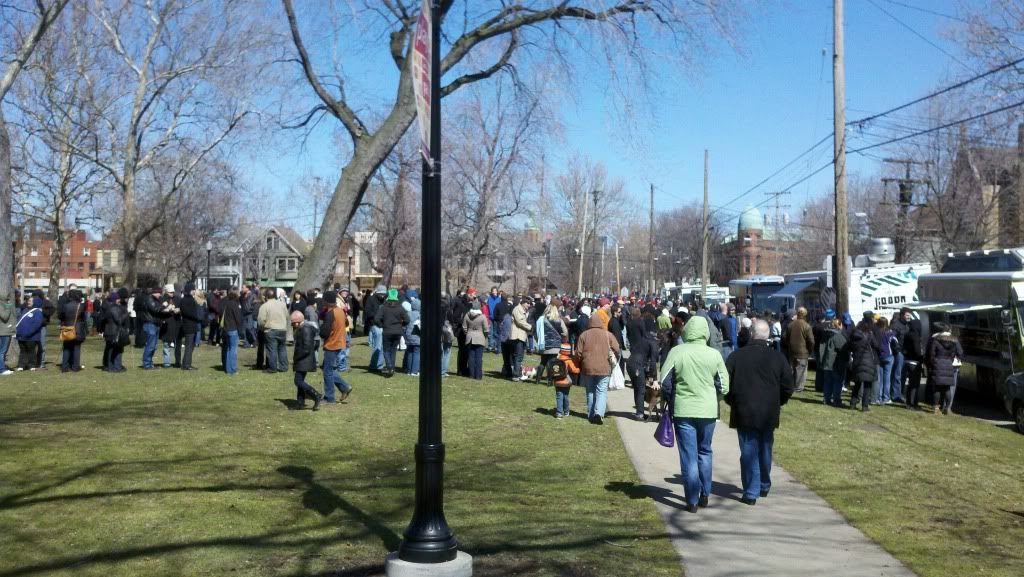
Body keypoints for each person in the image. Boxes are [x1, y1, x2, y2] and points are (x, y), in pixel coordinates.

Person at [661, 316, 730, 513]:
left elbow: (665, 381)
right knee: (705, 451)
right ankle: (705, 493)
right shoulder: (714, 354)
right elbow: (724, 385)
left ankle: (692, 499)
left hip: (683, 409)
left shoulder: (677, 351)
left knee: (688, 456)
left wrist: (672, 400)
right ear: (706, 332)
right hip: (707, 410)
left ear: (687, 330)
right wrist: (713, 397)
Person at [724, 319, 794, 505]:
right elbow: (788, 386)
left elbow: (725, 385)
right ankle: (760, 485)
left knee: (751, 450)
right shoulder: (778, 358)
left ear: (751, 333)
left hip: (745, 409)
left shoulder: (736, 356)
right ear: (767, 335)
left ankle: (753, 489)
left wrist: (732, 401)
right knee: (764, 449)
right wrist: (778, 401)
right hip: (767, 410)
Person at [574, 316, 620, 424]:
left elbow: (578, 353)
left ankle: (591, 414)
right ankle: (599, 413)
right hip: (604, 367)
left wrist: (581, 361)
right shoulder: (608, 334)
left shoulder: (584, 335)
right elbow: (617, 348)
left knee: (590, 391)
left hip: (588, 367)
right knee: (601, 391)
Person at [626, 305, 660, 420]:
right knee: (640, 389)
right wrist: (655, 379)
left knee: (637, 388)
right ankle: (640, 413)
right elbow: (653, 362)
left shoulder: (643, 339)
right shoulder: (652, 343)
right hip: (637, 365)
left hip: (631, 363)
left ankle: (639, 412)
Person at [320, 291, 353, 403]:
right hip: (339, 342)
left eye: (323, 300)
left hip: (332, 344)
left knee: (327, 371)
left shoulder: (330, 313)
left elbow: (324, 332)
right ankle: (344, 387)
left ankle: (329, 398)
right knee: (328, 369)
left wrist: (320, 329)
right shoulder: (340, 311)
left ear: (326, 301)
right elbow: (346, 323)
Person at [926, 322, 963, 415]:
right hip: (949, 364)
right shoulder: (954, 340)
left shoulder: (936, 339)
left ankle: (936, 408)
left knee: (937, 388)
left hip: (938, 363)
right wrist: (951, 359)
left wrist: (933, 362)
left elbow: (931, 353)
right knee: (947, 388)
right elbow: (959, 352)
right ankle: (947, 408)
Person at [290, 310, 323, 410]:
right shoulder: (302, 328)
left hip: (304, 360)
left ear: (298, 321)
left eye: (293, 323)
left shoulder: (306, 329)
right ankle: (300, 403)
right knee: (300, 381)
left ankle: (316, 395)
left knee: (298, 381)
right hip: (303, 360)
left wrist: (297, 358)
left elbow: (307, 348)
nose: (292, 325)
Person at [375, 288, 409, 377]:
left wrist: (381, 325)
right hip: (397, 331)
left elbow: (376, 319)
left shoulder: (383, 307)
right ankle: (391, 368)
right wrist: (402, 325)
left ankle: (389, 366)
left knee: (386, 350)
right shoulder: (400, 308)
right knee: (393, 350)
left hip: (387, 331)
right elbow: (407, 320)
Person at [848, 318, 880, 412]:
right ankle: (865, 406)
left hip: (857, 361)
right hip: (868, 361)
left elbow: (850, 347)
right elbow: (876, 345)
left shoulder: (854, 335)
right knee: (867, 385)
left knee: (857, 384)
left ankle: (853, 403)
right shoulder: (870, 334)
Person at [257, 287, 289, 373]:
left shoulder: (264, 306)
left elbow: (261, 320)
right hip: (282, 329)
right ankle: (284, 367)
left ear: (266, 296)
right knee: (282, 348)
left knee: (272, 350)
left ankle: (272, 368)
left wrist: (263, 328)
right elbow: (286, 316)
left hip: (271, 329)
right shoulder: (282, 304)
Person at [782, 307, 814, 392]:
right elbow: (811, 341)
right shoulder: (807, 326)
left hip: (792, 351)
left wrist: (789, 345)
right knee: (801, 371)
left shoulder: (790, 325)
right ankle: (798, 387)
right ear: (805, 315)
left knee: (792, 369)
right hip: (803, 352)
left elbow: (785, 337)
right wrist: (809, 350)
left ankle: (791, 385)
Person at [819, 318, 848, 407]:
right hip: (835, 363)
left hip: (826, 362)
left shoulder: (825, 334)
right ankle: (836, 400)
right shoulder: (837, 336)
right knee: (837, 381)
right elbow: (844, 350)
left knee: (828, 381)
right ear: (839, 325)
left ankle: (826, 399)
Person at [536, 303, 568, 382]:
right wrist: (560, 335)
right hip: (555, 345)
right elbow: (565, 332)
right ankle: (550, 381)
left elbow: (537, 332)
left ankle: (537, 379)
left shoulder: (541, 319)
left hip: (544, 344)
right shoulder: (559, 320)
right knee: (552, 363)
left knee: (543, 362)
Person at [58, 289, 87, 372]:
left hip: (67, 328)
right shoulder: (81, 306)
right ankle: (75, 366)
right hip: (78, 328)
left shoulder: (65, 306)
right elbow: (84, 318)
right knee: (76, 348)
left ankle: (64, 366)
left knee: (66, 347)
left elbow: (60, 316)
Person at [901, 310, 925, 409]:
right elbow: (917, 350)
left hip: (907, 360)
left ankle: (909, 402)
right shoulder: (915, 336)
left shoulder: (907, 334)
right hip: (915, 362)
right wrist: (922, 358)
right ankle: (912, 403)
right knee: (915, 384)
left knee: (910, 383)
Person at [102, 290, 130, 373]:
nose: (119, 300)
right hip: (113, 332)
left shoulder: (110, 307)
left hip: (110, 331)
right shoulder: (113, 308)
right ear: (115, 300)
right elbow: (118, 320)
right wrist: (126, 314)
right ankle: (115, 367)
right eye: (118, 299)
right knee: (117, 349)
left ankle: (112, 366)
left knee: (112, 350)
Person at [15, 297, 46, 371]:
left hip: (31, 336)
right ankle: (21, 365)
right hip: (21, 336)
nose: (28, 302)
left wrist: (28, 333)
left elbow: (37, 324)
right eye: (28, 301)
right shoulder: (25, 310)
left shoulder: (37, 312)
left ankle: (31, 365)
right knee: (23, 351)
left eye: (31, 301)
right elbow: (20, 321)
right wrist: (19, 332)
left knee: (31, 351)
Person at [178, 283, 203, 371]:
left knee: (191, 346)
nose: (194, 291)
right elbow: (187, 312)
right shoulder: (185, 300)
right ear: (189, 290)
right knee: (189, 346)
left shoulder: (190, 299)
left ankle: (187, 363)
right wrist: (197, 316)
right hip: (188, 325)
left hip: (192, 324)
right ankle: (186, 365)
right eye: (193, 290)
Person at [552, 342, 580, 418]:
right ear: (568, 352)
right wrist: (579, 369)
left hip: (557, 381)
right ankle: (566, 411)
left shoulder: (556, 359)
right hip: (566, 382)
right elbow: (574, 370)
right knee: (565, 396)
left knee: (559, 396)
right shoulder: (568, 360)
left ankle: (559, 412)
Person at [462, 300, 489, 380]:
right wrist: (484, 336)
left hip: (470, 337)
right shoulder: (482, 316)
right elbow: (486, 329)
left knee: (471, 357)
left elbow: (464, 327)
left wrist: (468, 333)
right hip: (480, 337)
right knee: (479, 358)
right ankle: (478, 375)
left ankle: (471, 374)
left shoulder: (467, 315)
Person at [510, 296, 534, 381]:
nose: (529, 305)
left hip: (521, 336)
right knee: (518, 356)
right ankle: (516, 375)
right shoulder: (517, 309)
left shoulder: (523, 310)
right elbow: (520, 321)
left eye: (530, 304)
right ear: (523, 303)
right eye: (528, 303)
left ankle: (518, 374)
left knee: (519, 356)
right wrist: (530, 327)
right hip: (517, 336)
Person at [220, 288, 243, 375]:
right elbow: (238, 318)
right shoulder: (235, 304)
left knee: (229, 349)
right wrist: (240, 329)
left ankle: (228, 369)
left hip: (226, 328)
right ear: (236, 294)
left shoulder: (227, 303)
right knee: (233, 350)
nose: (240, 294)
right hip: (233, 329)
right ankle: (233, 369)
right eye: (238, 292)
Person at [365, 285, 386, 372]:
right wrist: (377, 316)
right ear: (377, 293)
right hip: (374, 324)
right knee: (377, 346)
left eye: (384, 294)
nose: (382, 296)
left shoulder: (385, 300)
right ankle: (374, 365)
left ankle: (379, 365)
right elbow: (368, 312)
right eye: (381, 294)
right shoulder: (371, 299)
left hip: (383, 325)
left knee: (382, 346)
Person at [876, 317, 896, 404]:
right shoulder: (890, 333)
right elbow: (895, 342)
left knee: (879, 379)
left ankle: (879, 397)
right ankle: (886, 397)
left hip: (879, 356)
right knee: (887, 378)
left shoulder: (877, 332)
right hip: (888, 355)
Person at [403, 297, 421, 376]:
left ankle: (409, 370)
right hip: (417, 337)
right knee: (417, 353)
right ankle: (414, 371)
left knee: (410, 352)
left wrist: (405, 333)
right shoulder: (420, 315)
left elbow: (404, 325)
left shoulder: (408, 314)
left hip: (408, 336)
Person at [0, 292, 15, 376]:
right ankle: (2, 369)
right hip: (3, 331)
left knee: (3, 351)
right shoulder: (2, 305)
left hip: (6, 330)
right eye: (8, 297)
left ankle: (2, 367)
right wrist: (8, 307)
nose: (9, 299)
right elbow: (4, 316)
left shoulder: (4, 305)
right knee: (2, 351)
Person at [486, 287, 502, 352]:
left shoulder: (499, 299)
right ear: (491, 292)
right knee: (490, 332)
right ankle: (490, 346)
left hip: (496, 318)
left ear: (497, 292)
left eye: (495, 291)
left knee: (496, 332)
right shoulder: (489, 299)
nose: (494, 292)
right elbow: (487, 308)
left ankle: (495, 346)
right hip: (490, 317)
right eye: (493, 291)